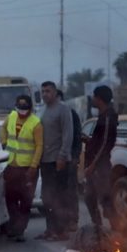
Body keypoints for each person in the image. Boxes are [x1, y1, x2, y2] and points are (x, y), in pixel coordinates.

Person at [0, 95, 43, 242]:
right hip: (11, 165)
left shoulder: (36, 123)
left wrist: (33, 166)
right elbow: (3, 129)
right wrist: (4, 142)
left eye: (24, 108)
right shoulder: (11, 116)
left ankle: (20, 231)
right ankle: (16, 224)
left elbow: (39, 146)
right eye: (19, 108)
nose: (21, 111)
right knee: (10, 198)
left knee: (25, 202)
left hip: (27, 169)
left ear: (30, 108)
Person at [37, 81, 74, 241]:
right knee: (47, 198)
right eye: (43, 91)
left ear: (55, 92)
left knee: (59, 197)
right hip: (45, 161)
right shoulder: (41, 110)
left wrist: (62, 156)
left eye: (48, 91)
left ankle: (62, 231)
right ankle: (50, 229)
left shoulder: (63, 109)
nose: (45, 94)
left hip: (58, 161)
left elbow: (68, 134)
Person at [84, 85, 118, 227]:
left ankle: (116, 228)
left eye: (94, 96)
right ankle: (97, 226)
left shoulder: (108, 116)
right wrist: (88, 140)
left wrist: (93, 165)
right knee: (89, 197)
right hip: (96, 165)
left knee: (105, 198)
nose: (92, 99)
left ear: (99, 99)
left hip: (100, 166)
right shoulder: (102, 116)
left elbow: (105, 143)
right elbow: (99, 140)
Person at [58, 89, 82, 231]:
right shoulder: (47, 114)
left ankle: (73, 221)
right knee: (57, 193)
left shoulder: (71, 114)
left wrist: (75, 157)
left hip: (69, 160)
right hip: (54, 161)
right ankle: (60, 222)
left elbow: (77, 137)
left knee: (71, 192)